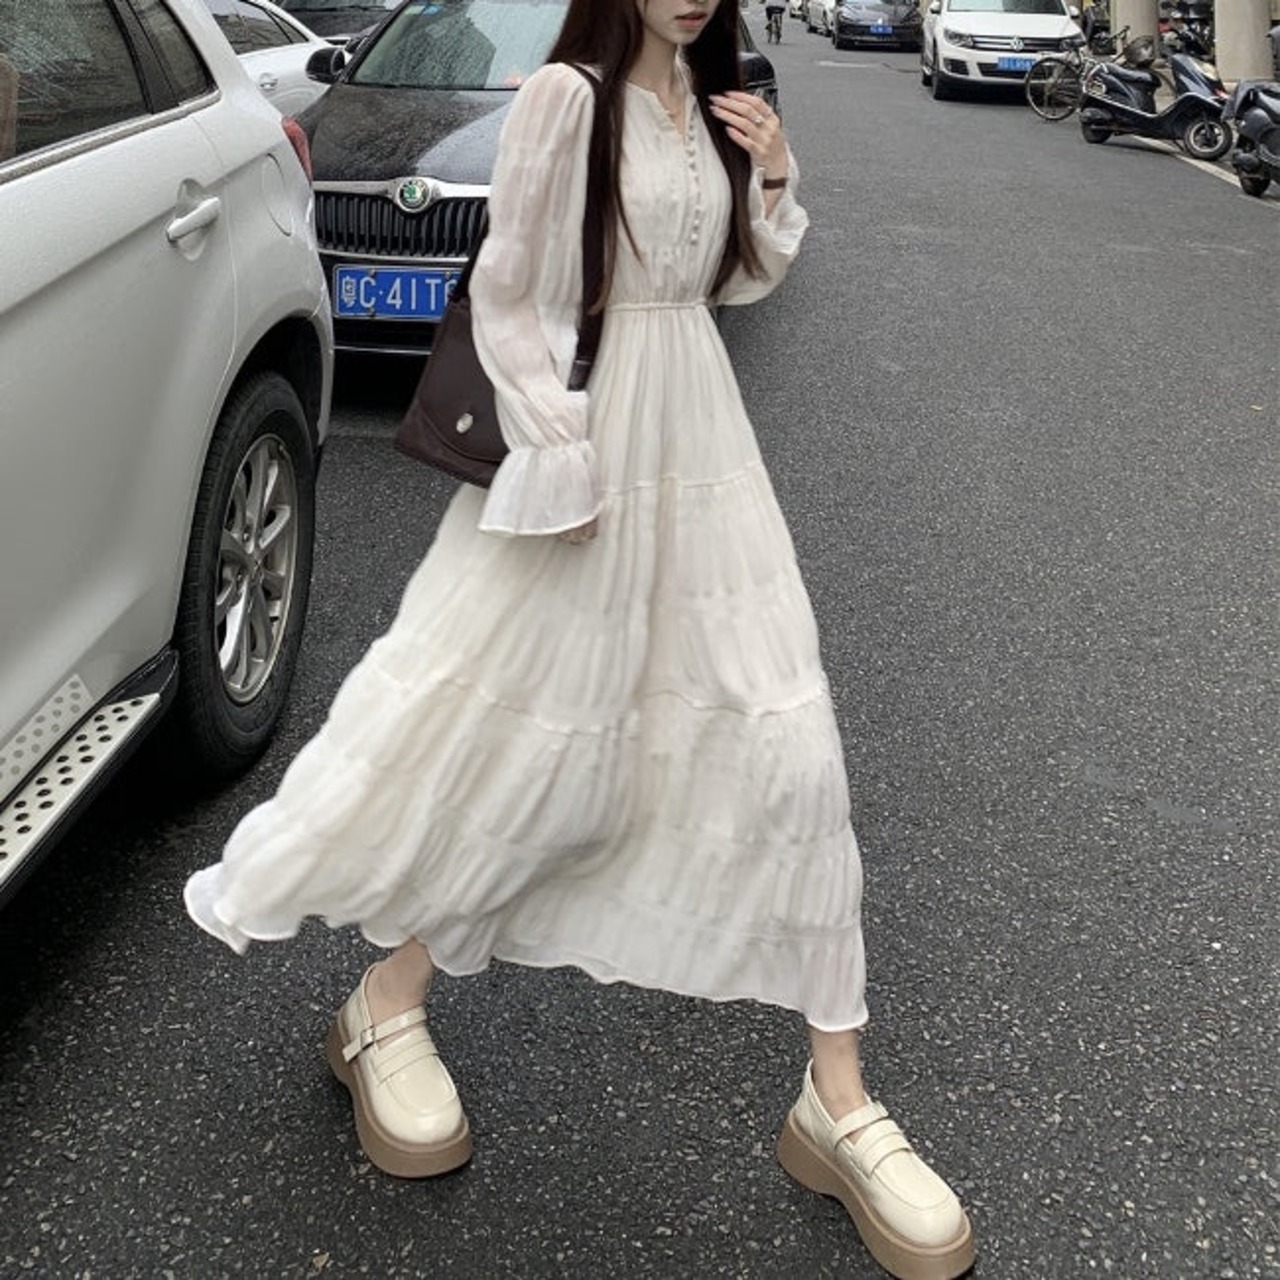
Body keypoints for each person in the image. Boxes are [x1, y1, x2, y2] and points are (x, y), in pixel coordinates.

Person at [184, 1, 975, 1276]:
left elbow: (729, 281)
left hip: (705, 449)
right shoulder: (565, 100)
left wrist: (771, 176)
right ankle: (385, 1002)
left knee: (789, 751)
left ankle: (835, 1095)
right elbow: (512, 296)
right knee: (538, 746)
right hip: (591, 459)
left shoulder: (711, 105)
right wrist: (556, 449)